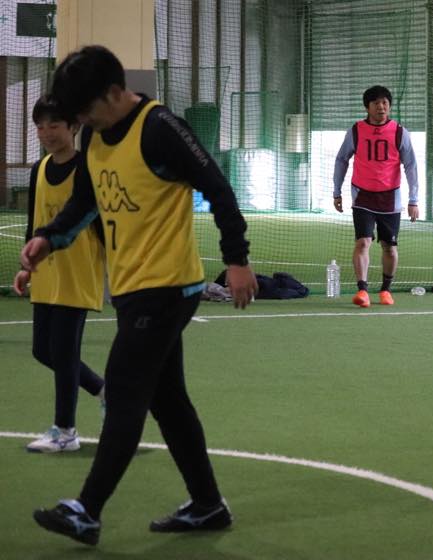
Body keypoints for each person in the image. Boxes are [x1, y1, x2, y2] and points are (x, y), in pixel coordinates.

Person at [21, 45, 258, 546]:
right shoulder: (96, 135)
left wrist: (237, 260)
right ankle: (208, 504)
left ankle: (87, 510)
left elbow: (218, 188)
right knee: (168, 402)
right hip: (130, 288)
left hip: (167, 287)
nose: (82, 121)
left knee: (125, 392)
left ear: (114, 92)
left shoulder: (160, 128)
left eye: (86, 110)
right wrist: (48, 238)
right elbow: (86, 200)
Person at [13, 95, 106, 454]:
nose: (46, 132)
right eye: (40, 126)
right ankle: (104, 390)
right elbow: (34, 222)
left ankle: (65, 431)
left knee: (64, 351)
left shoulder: (88, 168)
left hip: (78, 271)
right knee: (43, 350)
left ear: (74, 127)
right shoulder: (39, 169)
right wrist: (26, 267)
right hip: (46, 271)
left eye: (54, 125)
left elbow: (101, 224)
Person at [333, 85, 419, 307]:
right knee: (363, 242)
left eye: (385, 103)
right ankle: (362, 290)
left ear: (389, 106)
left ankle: (385, 290)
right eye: (376, 103)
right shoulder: (356, 131)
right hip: (362, 196)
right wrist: (336, 191)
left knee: (389, 247)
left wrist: (413, 199)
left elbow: (410, 165)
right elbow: (342, 159)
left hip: (390, 198)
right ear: (367, 107)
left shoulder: (400, 132)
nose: (381, 107)